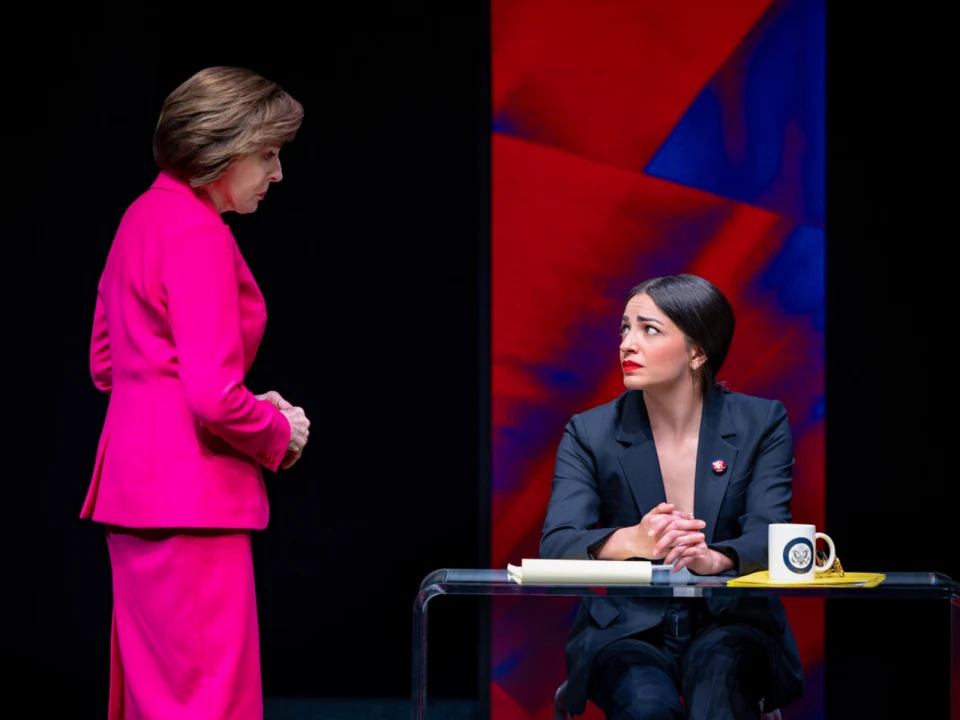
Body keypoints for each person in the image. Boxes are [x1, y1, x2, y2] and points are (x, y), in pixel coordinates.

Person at [81, 66, 311, 720]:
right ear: (220, 149)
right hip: (193, 503)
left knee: (156, 700)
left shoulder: (140, 217)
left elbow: (108, 364)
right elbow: (213, 397)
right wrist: (276, 429)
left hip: (134, 498)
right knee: (208, 702)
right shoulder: (199, 232)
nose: (277, 174)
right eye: (267, 154)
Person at [540, 274, 804, 719]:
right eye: (625, 328)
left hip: (732, 622)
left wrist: (715, 558)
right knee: (646, 705)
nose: (627, 344)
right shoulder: (589, 432)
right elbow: (556, 545)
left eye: (649, 329)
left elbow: (773, 536)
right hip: (626, 629)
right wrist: (631, 542)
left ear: (698, 351)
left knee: (717, 687)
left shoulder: (762, 422)